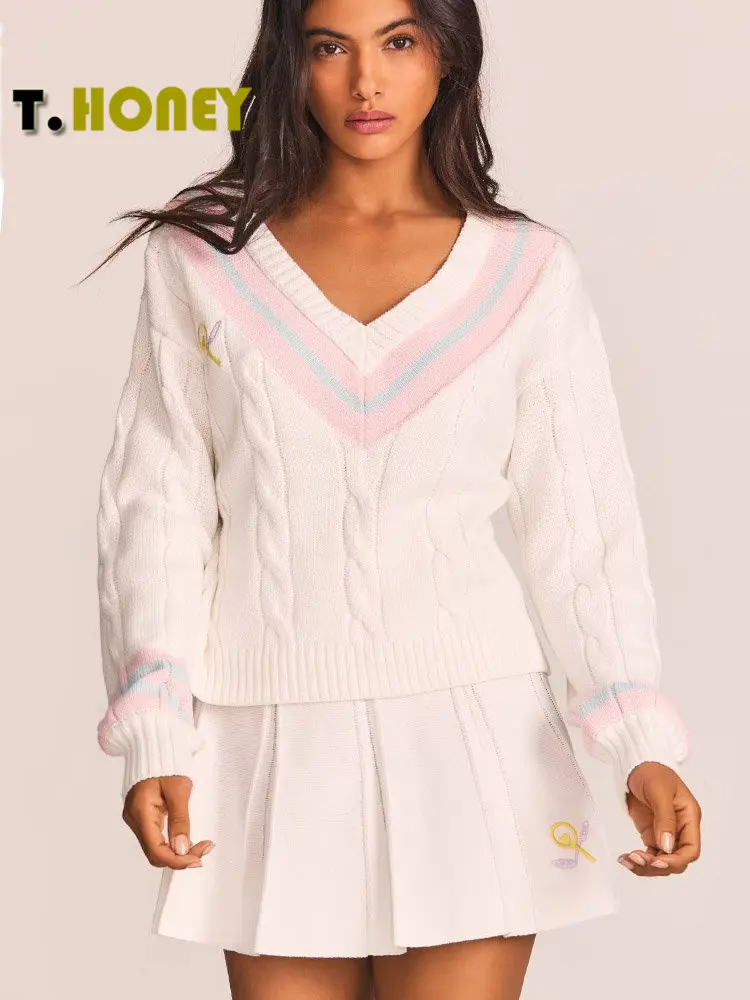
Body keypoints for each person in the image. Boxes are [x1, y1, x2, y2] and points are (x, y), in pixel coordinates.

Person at [85, 1, 701, 998]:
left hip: (476, 737)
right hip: (265, 741)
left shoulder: (527, 272)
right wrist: (154, 728)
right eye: (330, 47)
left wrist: (637, 739)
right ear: (291, 63)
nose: (366, 81)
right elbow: (155, 510)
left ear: (447, 57)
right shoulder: (202, 260)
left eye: (399, 42)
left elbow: (584, 529)